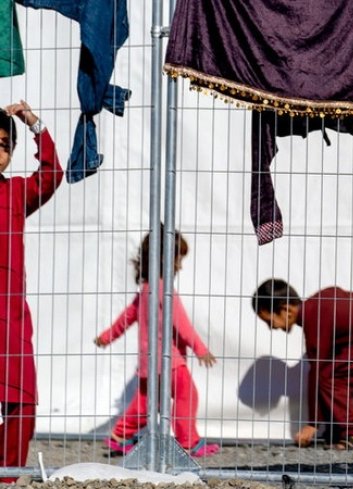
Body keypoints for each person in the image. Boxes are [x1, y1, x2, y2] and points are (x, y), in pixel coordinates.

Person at [95, 228, 220, 458]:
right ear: (164, 258)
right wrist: (201, 349)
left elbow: (127, 317)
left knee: (145, 402)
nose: (180, 265)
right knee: (187, 395)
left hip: (148, 361)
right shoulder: (164, 289)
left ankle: (119, 436)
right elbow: (181, 325)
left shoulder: (146, 288)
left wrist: (106, 336)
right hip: (169, 359)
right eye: (178, 259)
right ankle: (189, 442)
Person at [252, 280, 353, 450]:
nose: (271, 328)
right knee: (333, 373)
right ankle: (337, 431)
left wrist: (312, 423)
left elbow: (317, 370)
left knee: (330, 376)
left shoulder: (315, 315)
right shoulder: (316, 307)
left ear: (286, 309)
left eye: (270, 321)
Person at [0, 101, 64, 482]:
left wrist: (34, 124)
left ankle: (5, 475)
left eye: (5, 144)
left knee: (22, 402)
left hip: (10, 320)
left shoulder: (18, 193)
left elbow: (52, 172)